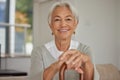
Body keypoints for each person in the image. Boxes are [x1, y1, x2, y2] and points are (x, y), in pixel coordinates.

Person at [29, 1, 99, 80]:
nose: (63, 24)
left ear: (75, 24)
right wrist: (57, 65)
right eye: (57, 20)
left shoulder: (85, 50)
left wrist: (87, 62)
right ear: (50, 25)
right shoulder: (38, 52)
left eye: (68, 19)